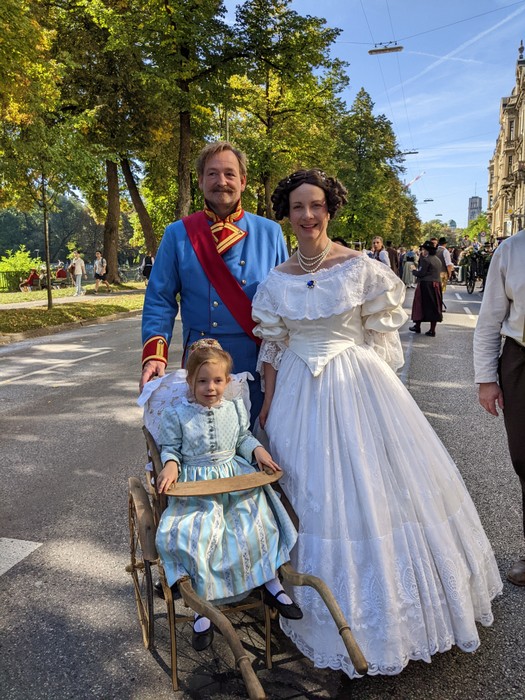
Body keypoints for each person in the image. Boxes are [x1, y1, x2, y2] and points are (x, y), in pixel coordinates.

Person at [251, 168, 502, 679]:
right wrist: (269, 404)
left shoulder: (361, 268)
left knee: (369, 488)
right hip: (296, 388)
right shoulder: (277, 280)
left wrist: (380, 403)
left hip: (354, 383)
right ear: (287, 214)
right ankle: (305, 606)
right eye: (298, 207)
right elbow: (274, 346)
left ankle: (388, 620)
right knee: (306, 493)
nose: (307, 215)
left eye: (316, 205)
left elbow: (381, 342)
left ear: (329, 209)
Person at [154, 339, 301, 651]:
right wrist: (170, 465)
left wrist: (257, 451)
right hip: (197, 484)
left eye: (217, 381)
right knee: (196, 534)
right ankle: (202, 604)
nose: (210, 388)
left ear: (227, 381)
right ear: (190, 382)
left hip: (233, 477)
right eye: (202, 381)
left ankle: (271, 582)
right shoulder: (177, 414)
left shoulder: (233, 407)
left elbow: (242, 438)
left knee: (256, 522)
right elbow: (171, 448)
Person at [140, 141, 288, 421]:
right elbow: (160, 299)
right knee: (202, 441)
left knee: (257, 440)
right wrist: (154, 356)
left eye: (230, 174)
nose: (222, 181)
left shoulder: (270, 233)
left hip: (256, 362)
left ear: (243, 181)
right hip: (201, 365)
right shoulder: (177, 234)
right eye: (212, 174)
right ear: (200, 181)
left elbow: (286, 303)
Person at [474, 228, 525, 586]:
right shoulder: (511, 250)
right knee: (524, 457)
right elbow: (490, 318)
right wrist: (486, 379)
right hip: (520, 359)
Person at [409, 241, 443, 337]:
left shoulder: (426, 260)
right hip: (436, 284)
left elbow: (421, 273)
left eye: (423, 249)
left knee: (419, 304)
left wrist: (413, 270)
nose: (422, 251)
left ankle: (417, 326)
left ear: (427, 250)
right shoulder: (438, 260)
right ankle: (432, 330)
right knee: (434, 306)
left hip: (425, 284)